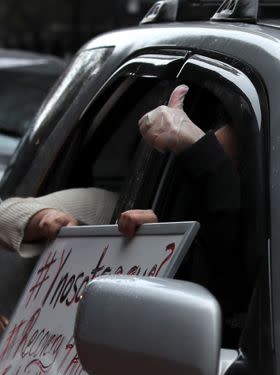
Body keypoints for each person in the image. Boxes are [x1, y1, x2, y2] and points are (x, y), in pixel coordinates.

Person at [0, 85, 246, 335]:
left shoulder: (250, 252)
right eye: (203, 156)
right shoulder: (128, 214)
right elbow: (5, 215)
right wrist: (44, 219)